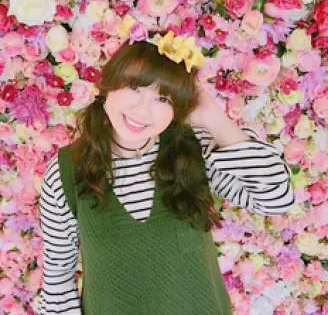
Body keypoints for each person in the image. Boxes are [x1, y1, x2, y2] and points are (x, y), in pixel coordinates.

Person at [38, 39, 294, 315]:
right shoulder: (66, 172)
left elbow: (277, 198)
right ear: (109, 85)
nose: (142, 110)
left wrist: (212, 117)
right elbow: (58, 278)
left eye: (163, 99)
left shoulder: (192, 149)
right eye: (135, 87)